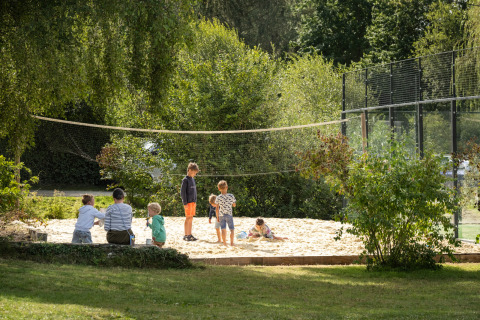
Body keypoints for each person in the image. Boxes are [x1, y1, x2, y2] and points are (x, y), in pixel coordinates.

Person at [180, 162, 199, 241]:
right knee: (187, 218)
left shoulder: (193, 179)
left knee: (191, 218)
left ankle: (190, 234)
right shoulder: (185, 180)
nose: (195, 174)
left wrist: (195, 201)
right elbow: (182, 192)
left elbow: (194, 192)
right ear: (190, 170)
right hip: (188, 203)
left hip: (193, 202)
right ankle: (186, 235)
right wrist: (185, 203)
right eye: (194, 172)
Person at [215, 180, 236, 246]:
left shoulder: (218, 197)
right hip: (229, 214)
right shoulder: (231, 196)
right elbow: (234, 205)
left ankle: (224, 243)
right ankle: (232, 243)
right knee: (232, 229)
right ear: (227, 187)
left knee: (223, 230)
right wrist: (232, 203)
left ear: (219, 189)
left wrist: (217, 217)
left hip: (221, 215)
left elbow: (217, 208)